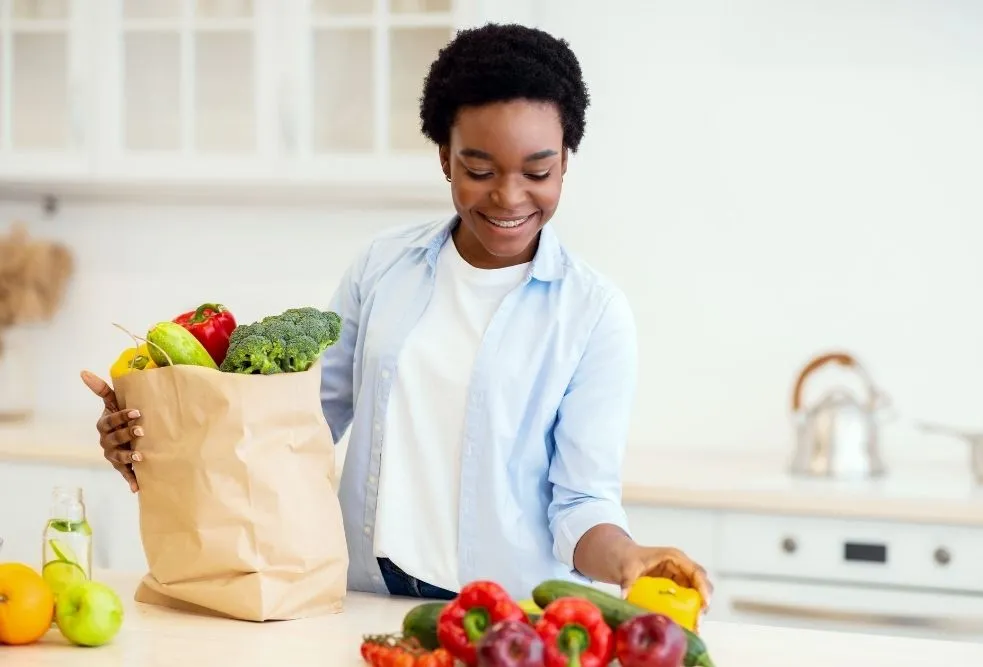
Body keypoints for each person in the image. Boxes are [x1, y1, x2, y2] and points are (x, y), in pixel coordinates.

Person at [81, 22, 712, 608]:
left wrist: (627, 558)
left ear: (566, 161)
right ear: (444, 157)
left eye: (538, 171)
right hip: (363, 595)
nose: (509, 196)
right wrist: (158, 436)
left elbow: (580, 502)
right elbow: (291, 425)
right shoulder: (382, 268)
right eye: (479, 169)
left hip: (505, 621)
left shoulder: (593, 314)